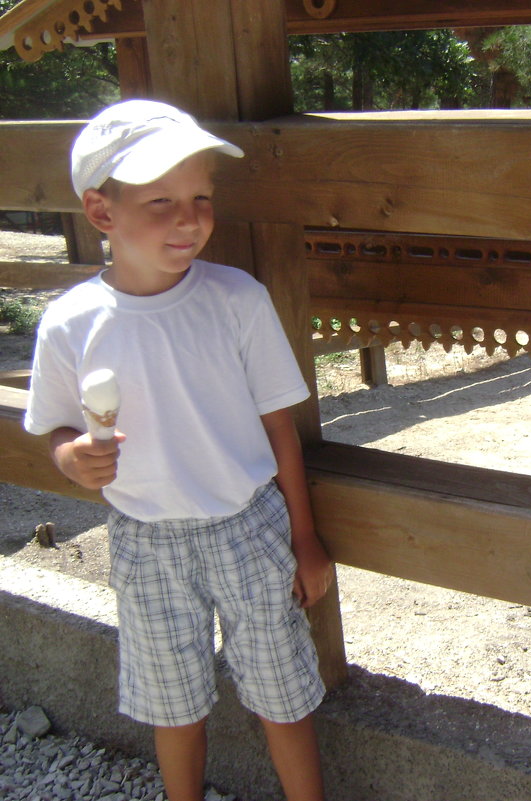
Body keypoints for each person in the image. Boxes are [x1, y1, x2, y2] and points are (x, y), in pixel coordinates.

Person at [23, 99, 333, 801]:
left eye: (201, 197)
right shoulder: (71, 323)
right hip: (144, 538)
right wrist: (74, 459)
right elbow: (59, 429)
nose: (189, 218)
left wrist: (305, 536)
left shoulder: (236, 299)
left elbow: (280, 426)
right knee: (173, 702)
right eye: (161, 201)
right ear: (102, 212)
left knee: (281, 690)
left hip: (249, 526)